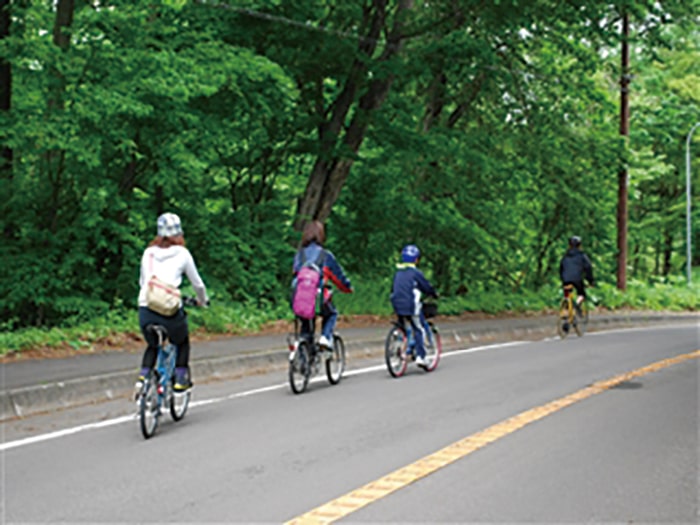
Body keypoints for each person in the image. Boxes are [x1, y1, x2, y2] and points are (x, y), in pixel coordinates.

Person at [135, 212, 208, 395]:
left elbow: (143, 282)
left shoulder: (148, 253)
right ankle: (181, 379)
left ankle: (143, 377)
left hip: (146, 307)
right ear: (179, 234)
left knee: (153, 344)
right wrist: (203, 300)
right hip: (169, 310)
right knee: (182, 342)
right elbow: (197, 283)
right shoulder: (182, 254)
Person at [292, 220, 353, 348]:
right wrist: (347, 287)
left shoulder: (299, 255)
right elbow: (338, 278)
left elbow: (295, 274)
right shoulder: (325, 256)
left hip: (299, 298)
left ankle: (302, 356)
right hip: (317, 298)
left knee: (306, 323)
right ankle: (325, 336)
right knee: (331, 313)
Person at [390, 244, 437, 367]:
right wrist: (434, 294)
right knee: (419, 329)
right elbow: (426, 287)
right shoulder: (416, 273)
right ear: (416, 259)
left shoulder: (398, 273)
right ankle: (421, 357)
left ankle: (401, 348)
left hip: (397, 304)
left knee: (405, 327)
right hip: (411, 305)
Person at [559, 235, 594, 306]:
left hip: (566, 279)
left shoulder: (565, 256)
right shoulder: (582, 256)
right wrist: (590, 280)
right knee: (581, 293)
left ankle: (566, 301)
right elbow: (588, 267)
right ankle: (577, 304)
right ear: (580, 245)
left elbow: (561, 268)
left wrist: (562, 278)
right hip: (577, 279)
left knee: (567, 290)